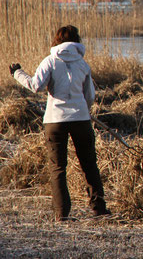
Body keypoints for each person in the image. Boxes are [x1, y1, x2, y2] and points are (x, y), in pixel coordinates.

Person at [10, 25, 110, 221]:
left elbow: (35, 86)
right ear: (76, 41)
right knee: (89, 164)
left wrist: (17, 73)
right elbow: (90, 96)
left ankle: (62, 215)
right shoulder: (83, 64)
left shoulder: (50, 61)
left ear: (56, 41)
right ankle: (99, 209)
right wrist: (83, 109)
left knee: (58, 168)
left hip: (55, 121)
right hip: (81, 120)